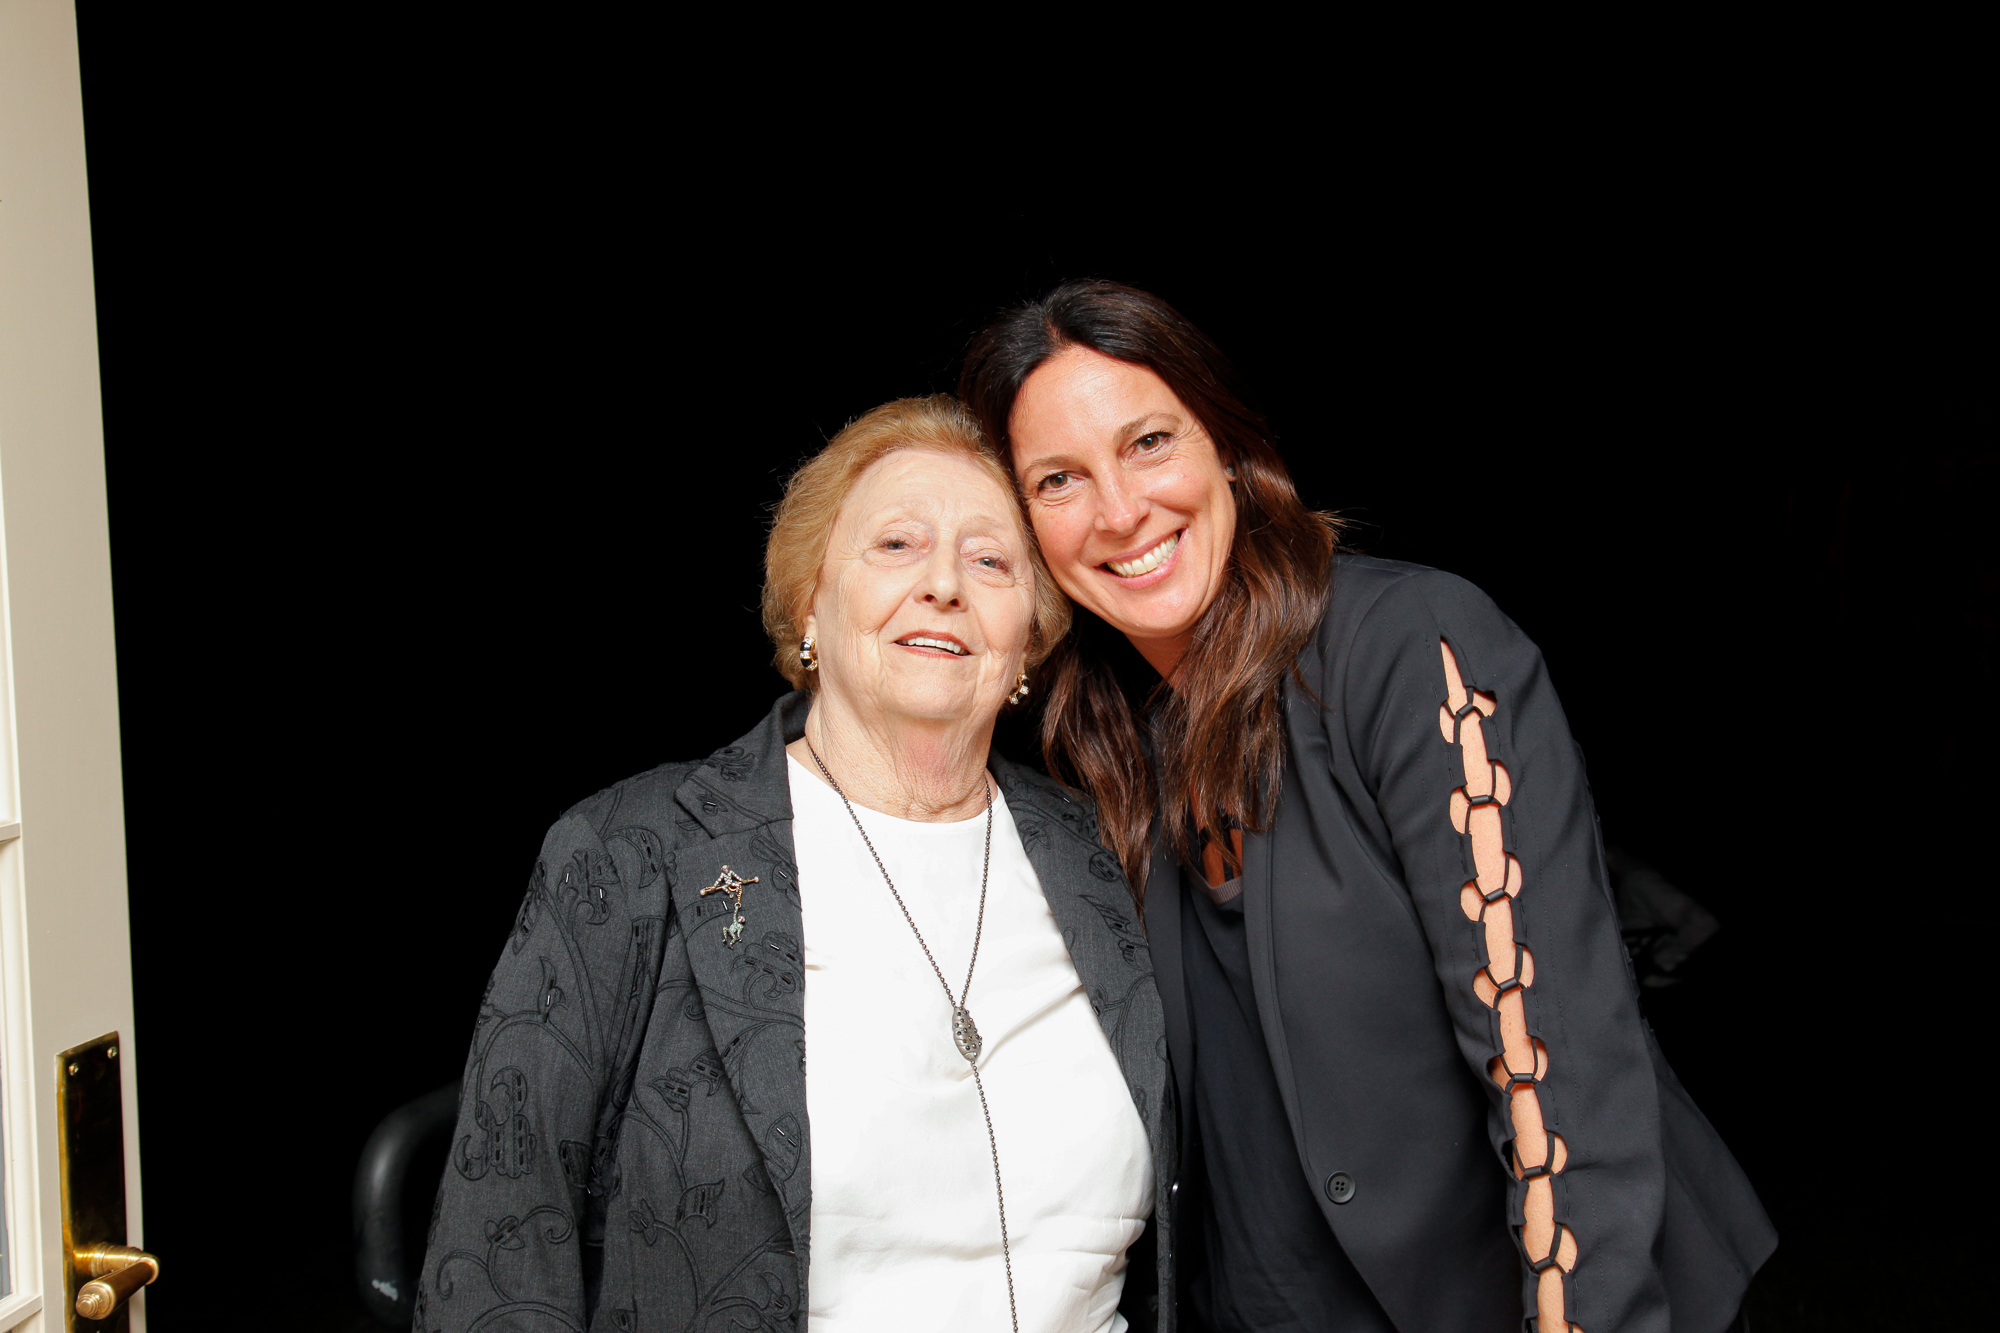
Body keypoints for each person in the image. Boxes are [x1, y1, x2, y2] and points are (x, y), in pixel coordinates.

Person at [959, 282, 1776, 1333]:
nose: (1119, 512)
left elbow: (1553, 1071)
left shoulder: (1411, 647)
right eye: (1058, 479)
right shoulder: (1101, 749)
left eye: (1149, 442)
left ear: (1227, 445)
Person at [417, 396, 1172, 1333]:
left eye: (990, 560)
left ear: (1031, 632)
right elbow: (497, 1248)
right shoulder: (628, 851)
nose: (944, 583)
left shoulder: (1104, 848)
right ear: (812, 598)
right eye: (896, 544)